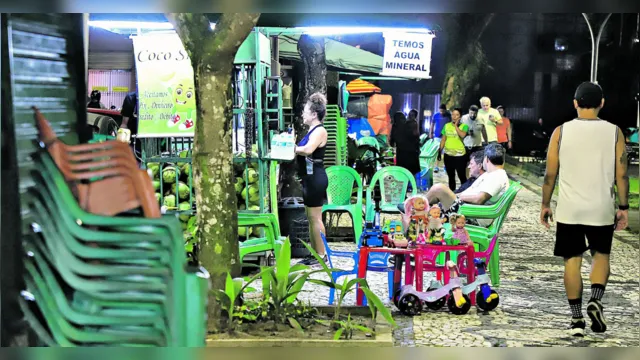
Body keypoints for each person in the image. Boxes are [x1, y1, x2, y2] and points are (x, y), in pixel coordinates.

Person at [540, 82, 629, 337]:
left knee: (572, 261)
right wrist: (623, 207)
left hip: (570, 209)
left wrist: (545, 204)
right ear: (602, 103)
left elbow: (550, 175)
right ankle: (596, 298)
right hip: (601, 207)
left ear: (575, 103)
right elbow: (622, 175)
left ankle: (577, 319)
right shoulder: (614, 132)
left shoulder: (561, 132)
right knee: (601, 255)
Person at [425, 143, 509, 227]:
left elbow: (479, 199)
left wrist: (457, 197)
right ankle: (416, 210)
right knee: (437, 196)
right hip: (468, 210)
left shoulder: (497, 176)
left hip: (472, 216)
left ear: (486, 159)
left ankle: (415, 209)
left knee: (439, 189)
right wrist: (452, 196)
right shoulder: (491, 174)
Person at [295, 93, 330, 266]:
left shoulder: (320, 131)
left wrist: (292, 148)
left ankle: (322, 255)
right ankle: (314, 253)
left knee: (316, 218)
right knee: (311, 217)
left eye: (305, 111)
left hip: (316, 177)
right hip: (309, 178)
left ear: (314, 114)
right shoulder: (311, 130)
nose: (303, 114)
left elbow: (308, 149)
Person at [438, 108, 468, 191]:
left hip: (460, 156)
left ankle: (464, 193)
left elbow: (462, 135)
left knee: (461, 175)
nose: (454, 117)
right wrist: (439, 151)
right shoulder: (446, 126)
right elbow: (443, 139)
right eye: (453, 114)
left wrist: (455, 126)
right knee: (451, 176)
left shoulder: (464, 126)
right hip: (448, 155)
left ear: (460, 117)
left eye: (457, 115)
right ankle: (451, 195)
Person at [392, 110, 421, 175]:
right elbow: (416, 139)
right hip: (412, 154)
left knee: (402, 173)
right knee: (413, 174)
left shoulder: (395, 127)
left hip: (401, 155)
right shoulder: (410, 125)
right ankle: (413, 185)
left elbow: (392, 142)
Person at [430, 104, 451, 173]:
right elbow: (432, 125)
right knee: (437, 152)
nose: (441, 112)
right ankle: (436, 167)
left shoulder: (449, 116)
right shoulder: (436, 115)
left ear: (445, 110)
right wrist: (431, 133)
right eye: (440, 111)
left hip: (446, 137)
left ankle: (446, 167)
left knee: (446, 153)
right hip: (437, 136)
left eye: (443, 111)